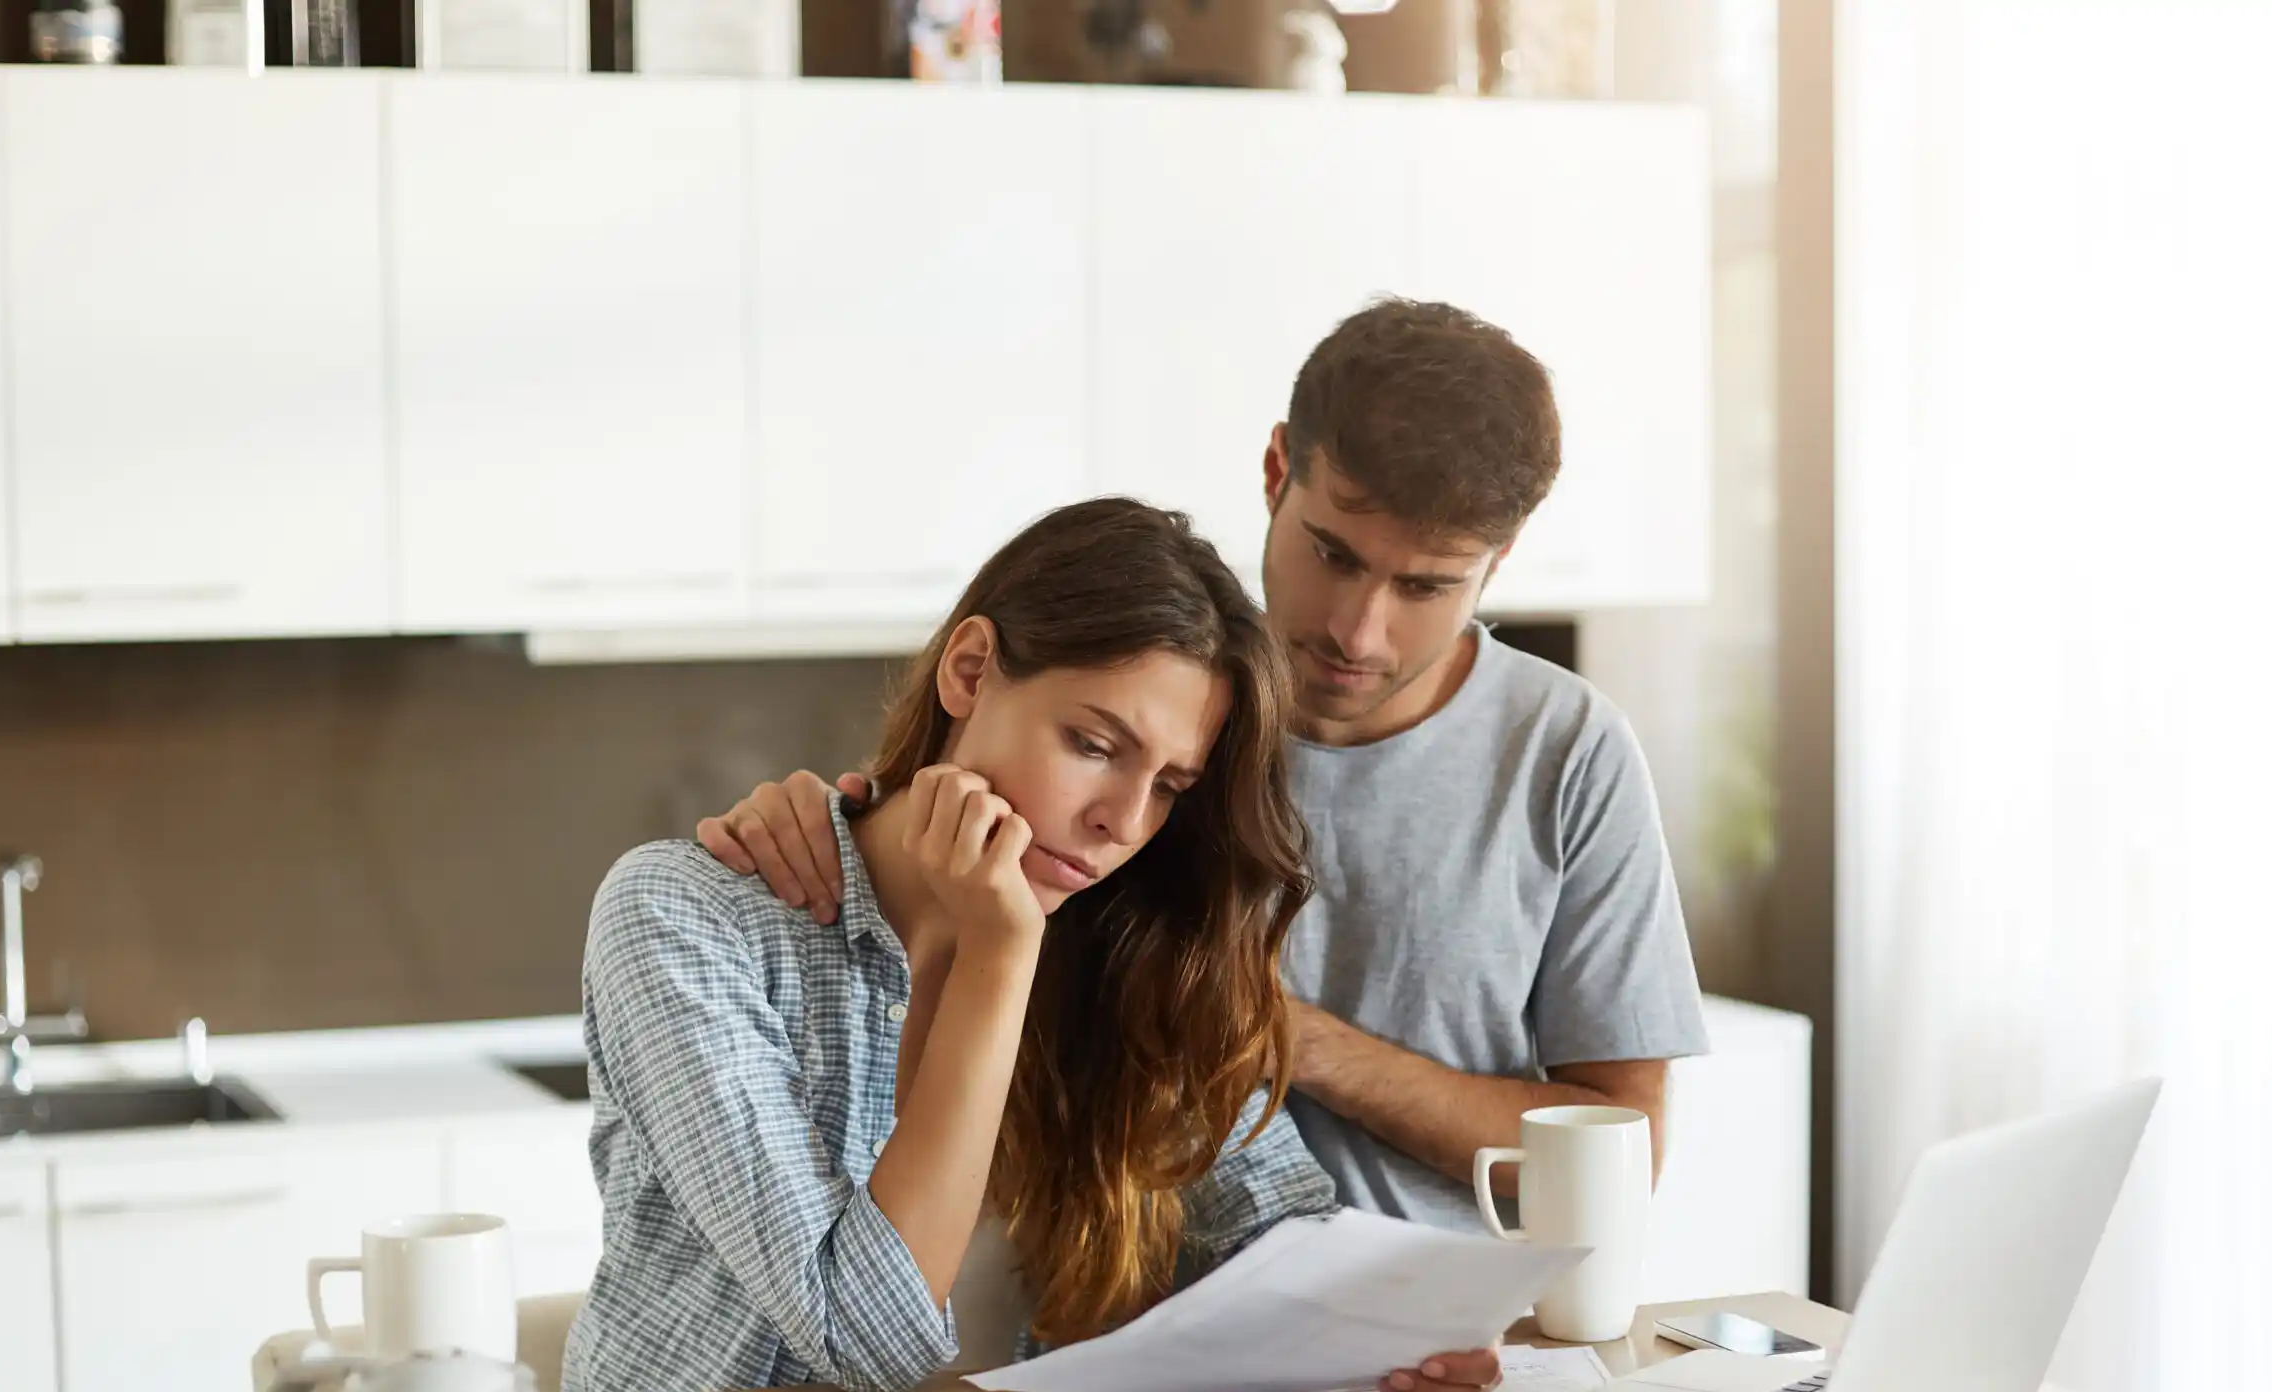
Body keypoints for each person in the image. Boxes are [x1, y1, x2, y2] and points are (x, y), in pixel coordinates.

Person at [699, 299, 1708, 1242]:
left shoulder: (1569, 754)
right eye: (1335, 556)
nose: (1358, 631)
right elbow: (939, 869)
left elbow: (1623, 1153)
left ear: (1503, 555)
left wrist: (1284, 1040)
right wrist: (817, 826)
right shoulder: (1169, 712)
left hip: (1440, 1344)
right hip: (1131, 1347)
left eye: (1425, 586)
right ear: (1276, 470)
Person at [568, 497, 1503, 1392]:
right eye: (1094, 746)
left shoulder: (1131, 949)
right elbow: (863, 1337)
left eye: (1170, 787)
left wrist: (1400, 1339)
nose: (1123, 823)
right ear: (970, 671)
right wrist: (1001, 952)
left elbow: (1282, 1230)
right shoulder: (688, 917)